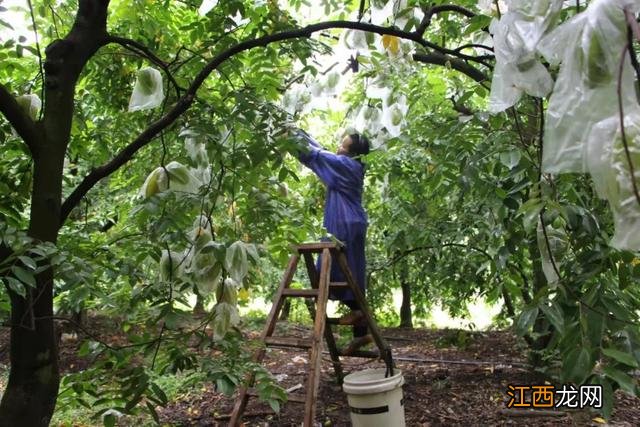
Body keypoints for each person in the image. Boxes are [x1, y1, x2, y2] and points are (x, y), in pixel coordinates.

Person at [293, 128, 372, 354]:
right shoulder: (349, 165)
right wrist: (299, 131)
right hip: (350, 222)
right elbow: (321, 151)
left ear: (352, 154)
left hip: (344, 225)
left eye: (343, 146)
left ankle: (358, 314)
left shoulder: (346, 166)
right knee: (351, 273)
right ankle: (362, 332)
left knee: (336, 272)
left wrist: (289, 137)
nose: (339, 147)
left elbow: (315, 155)